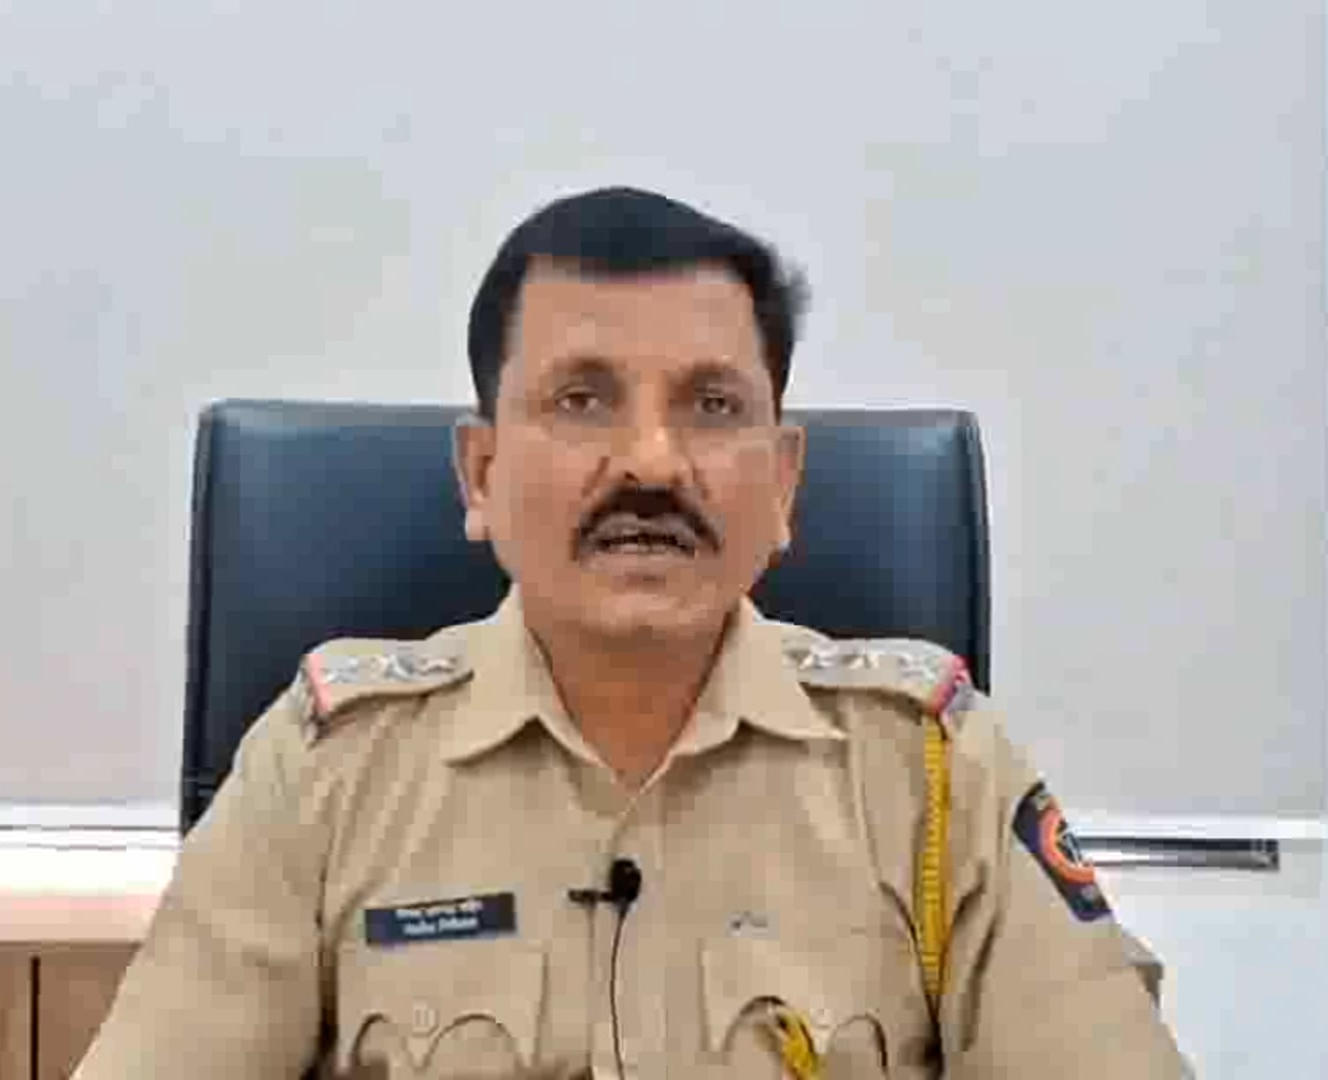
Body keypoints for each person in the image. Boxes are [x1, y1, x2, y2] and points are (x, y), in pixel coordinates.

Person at [74, 187, 1188, 1078]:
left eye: (712, 405)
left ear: (784, 484)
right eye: (582, 399)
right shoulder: (325, 770)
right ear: (481, 473)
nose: (652, 462)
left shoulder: (935, 771)